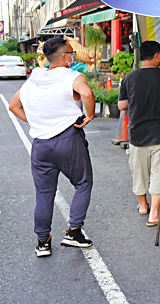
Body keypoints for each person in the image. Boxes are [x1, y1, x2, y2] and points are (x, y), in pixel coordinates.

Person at [7, 36, 96, 258]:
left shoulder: (33, 79)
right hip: (67, 139)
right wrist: (90, 115)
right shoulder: (72, 76)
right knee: (83, 182)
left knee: (44, 193)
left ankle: (43, 242)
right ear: (64, 57)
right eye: (71, 53)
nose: (73, 56)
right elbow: (86, 93)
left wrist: (37, 121)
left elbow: (13, 106)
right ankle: (74, 232)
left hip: (41, 145)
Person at [117, 40, 160, 225]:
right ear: (157, 56)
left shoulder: (129, 78)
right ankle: (154, 214)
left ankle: (142, 206)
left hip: (138, 134)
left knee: (139, 171)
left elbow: (122, 106)